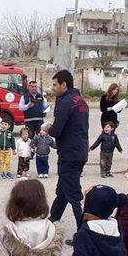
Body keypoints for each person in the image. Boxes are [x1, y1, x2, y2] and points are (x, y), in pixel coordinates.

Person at [47, 70, 89, 239]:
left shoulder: (65, 102)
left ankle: (84, 233)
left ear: (64, 85)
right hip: (79, 152)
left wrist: (48, 128)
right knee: (63, 191)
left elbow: (57, 130)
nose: (53, 88)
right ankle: (52, 221)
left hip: (70, 155)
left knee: (73, 195)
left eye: (55, 85)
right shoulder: (79, 100)